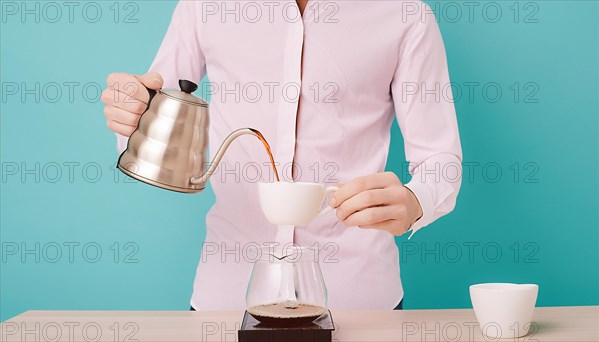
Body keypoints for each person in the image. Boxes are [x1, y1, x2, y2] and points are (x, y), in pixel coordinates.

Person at [101, 0, 462, 311]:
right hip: (227, 296)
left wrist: (417, 201)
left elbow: (440, 160)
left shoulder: (404, 14)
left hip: (359, 298)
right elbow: (153, 111)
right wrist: (132, 113)